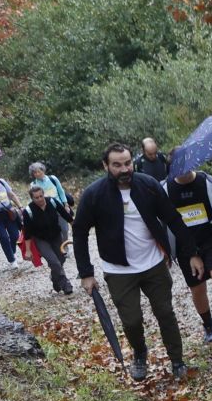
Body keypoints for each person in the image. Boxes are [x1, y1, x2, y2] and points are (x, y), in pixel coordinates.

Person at [74, 143, 198, 381]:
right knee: (131, 320)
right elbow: (79, 232)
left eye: (127, 163)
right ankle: (140, 354)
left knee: (165, 312)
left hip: (153, 264)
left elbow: (172, 218)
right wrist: (86, 273)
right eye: (117, 165)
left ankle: (177, 360)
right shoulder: (94, 194)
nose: (124, 169)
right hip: (118, 270)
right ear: (106, 166)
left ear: (134, 161)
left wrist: (192, 251)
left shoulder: (148, 185)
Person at [167, 167, 212, 344]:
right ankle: (208, 325)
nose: (183, 171)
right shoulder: (165, 189)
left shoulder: (207, 182)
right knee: (198, 288)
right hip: (185, 246)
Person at [21, 184, 73, 294]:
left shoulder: (52, 202)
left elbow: (65, 215)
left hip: (56, 236)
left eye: (41, 196)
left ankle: (55, 279)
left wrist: (76, 227)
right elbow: (28, 232)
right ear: (32, 198)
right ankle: (66, 284)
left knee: (61, 260)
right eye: (36, 197)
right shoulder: (28, 211)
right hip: (41, 240)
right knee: (54, 262)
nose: (40, 199)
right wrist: (28, 250)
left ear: (44, 195)